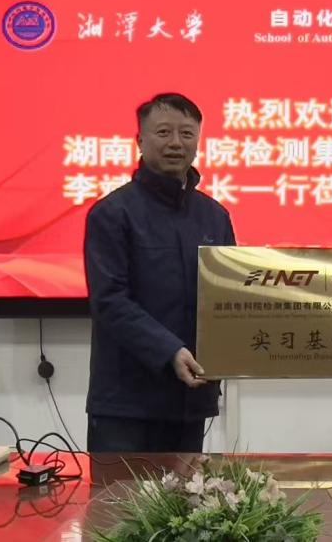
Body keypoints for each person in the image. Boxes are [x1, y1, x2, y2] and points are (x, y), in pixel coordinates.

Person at [83, 92, 235, 453]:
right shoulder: (112, 213)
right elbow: (109, 301)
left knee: (187, 493)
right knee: (120, 493)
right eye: (163, 132)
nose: (176, 143)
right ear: (140, 140)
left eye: (186, 133)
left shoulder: (215, 216)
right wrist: (169, 351)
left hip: (190, 399)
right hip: (126, 403)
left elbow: (229, 298)